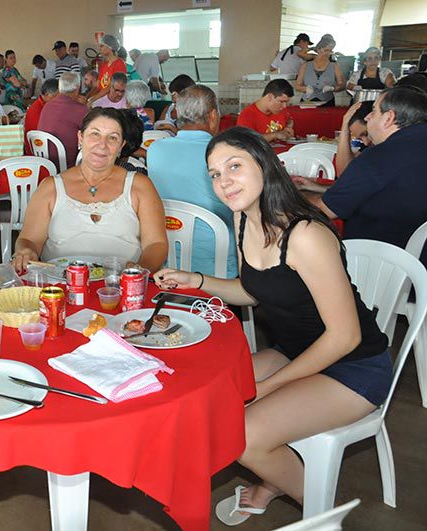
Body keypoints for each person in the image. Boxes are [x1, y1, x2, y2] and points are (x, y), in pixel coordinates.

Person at [154, 126, 391, 525]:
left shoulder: (305, 235)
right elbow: (254, 290)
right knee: (210, 398)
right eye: (215, 173)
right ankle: (277, 478)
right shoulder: (243, 217)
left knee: (245, 437)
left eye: (234, 166)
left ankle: (320, 510)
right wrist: (195, 280)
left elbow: (345, 336)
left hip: (354, 365)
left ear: (264, 164)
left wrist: (270, 386)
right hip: (296, 351)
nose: (224, 181)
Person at [12, 107, 168, 272]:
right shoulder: (51, 187)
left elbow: (156, 243)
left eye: (112, 138)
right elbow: (29, 239)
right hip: (59, 282)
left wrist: (139, 271)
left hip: (120, 283)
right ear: (80, 138)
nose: (102, 145)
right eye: (95, 134)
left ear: (121, 146)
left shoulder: (140, 186)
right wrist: (26, 251)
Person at [308, 87, 427, 253]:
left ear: (389, 118)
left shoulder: (380, 156)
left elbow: (325, 209)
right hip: (418, 257)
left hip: (377, 257)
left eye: (374, 110)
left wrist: (287, 195)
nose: (367, 117)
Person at [146, 85, 238, 278]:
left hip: (166, 256)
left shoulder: (155, 149)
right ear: (213, 116)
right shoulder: (226, 154)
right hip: (218, 262)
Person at [37, 72, 90, 168]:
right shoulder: (81, 109)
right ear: (77, 88)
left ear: (60, 88)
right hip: (67, 163)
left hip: (44, 160)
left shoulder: (47, 105)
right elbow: (90, 131)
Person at [295, 34, 345, 106]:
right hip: (307, 102)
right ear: (318, 49)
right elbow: (297, 86)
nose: (328, 53)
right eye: (326, 50)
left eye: (330, 51)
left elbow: (342, 85)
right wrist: (305, 89)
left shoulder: (334, 66)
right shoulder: (306, 65)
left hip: (327, 102)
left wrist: (333, 88)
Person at [334, 100, 373, 176]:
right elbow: (344, 174)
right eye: (360, 139)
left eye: (366, 134)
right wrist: (344, 130)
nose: (366, 143)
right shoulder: (368, 145)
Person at [86, 34, 127, 105]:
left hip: (113, 101)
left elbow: (111, 87)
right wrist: (87, 98)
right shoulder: (104, 65)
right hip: (103, 99)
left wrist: (93, 99)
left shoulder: (119, 64)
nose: (99, 49)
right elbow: (98, 85)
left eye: (102, 46)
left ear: (110, 47)